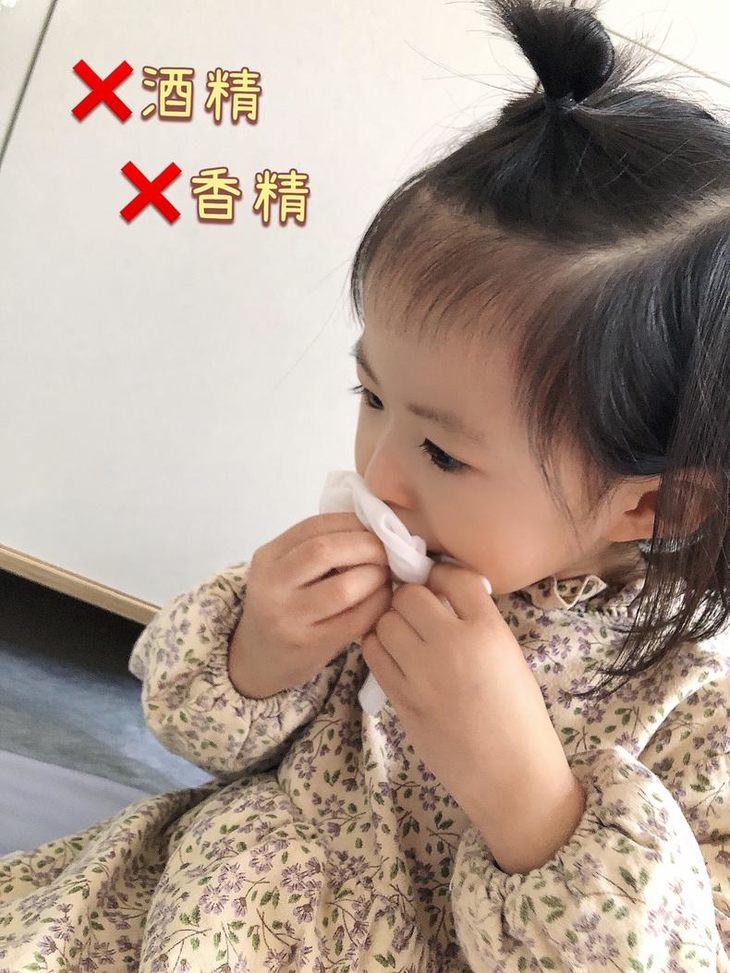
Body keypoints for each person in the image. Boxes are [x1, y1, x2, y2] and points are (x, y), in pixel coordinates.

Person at [2, 0, 729, 969]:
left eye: (444, 454)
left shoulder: (688, 718)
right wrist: (258, 649)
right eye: (371, 395)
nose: (378, 470)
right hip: (214, 908)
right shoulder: (377, 575)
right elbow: (190, 724)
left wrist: (531, 804)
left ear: (651, 504)